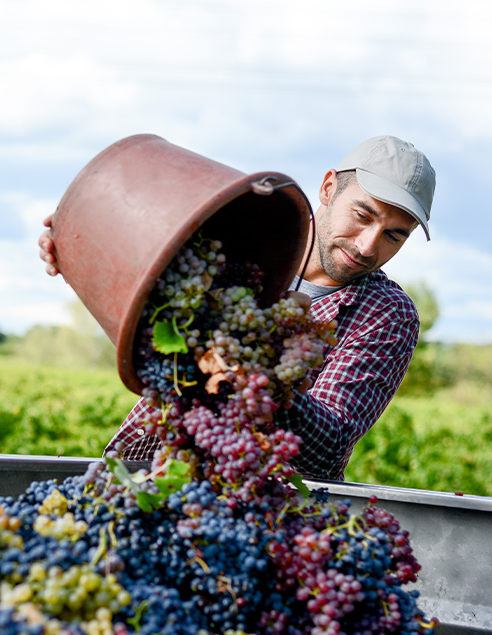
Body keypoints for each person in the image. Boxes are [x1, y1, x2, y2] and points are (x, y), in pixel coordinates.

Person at [38, 135, 436, 481]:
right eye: (363, 215)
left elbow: (328, 447)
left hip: (258, 512)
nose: (368, 246)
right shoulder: (239, 240)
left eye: (394, 236)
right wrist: (79, 241)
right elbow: (143, 294)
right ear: (329, 188)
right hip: (147, 468)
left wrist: (254, 378)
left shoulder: (386, 314)